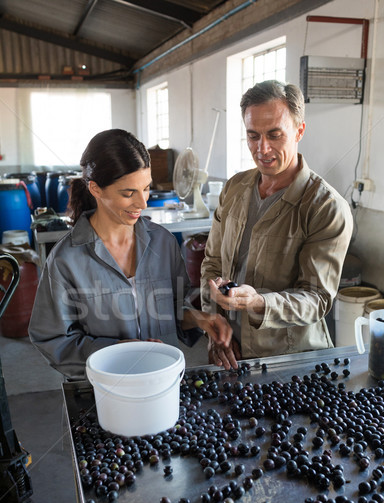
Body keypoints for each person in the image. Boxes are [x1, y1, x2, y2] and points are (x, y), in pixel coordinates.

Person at [29, 129, 232, 380]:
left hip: (164, 382)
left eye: (146, 188)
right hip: (106, 391)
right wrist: (115, 352)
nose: (143, 203)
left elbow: (171, 310)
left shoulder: (163, 243)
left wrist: (200, 319)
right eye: (128, 193)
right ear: (96, 189)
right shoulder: (66, 260)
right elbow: (53, 339)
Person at [200, 80, 353, 370]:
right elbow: (212, 263)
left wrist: (259, 303)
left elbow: (317, 298)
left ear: (299, 130)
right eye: (253, 135)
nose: (262, 148)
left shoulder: (325, 207)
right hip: (231, 351)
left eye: (274, 135)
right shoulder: (234, 189)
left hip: (291, 360)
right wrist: (214, 324)